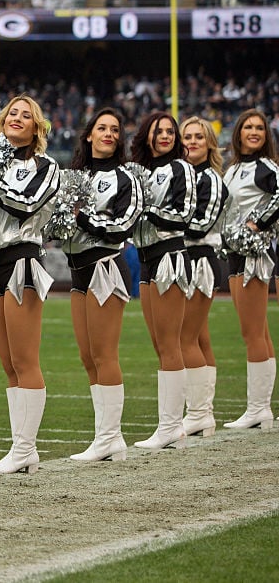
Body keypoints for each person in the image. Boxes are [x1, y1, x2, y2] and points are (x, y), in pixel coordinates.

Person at [0, 94, 59, 475]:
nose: (18, 118)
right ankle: (21, 448)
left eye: (26, 115)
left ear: (36, 127)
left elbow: (24, 205)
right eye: (12, 113)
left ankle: (25, 448)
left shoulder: (46, 166)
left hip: (21, 258)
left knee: (25, 359)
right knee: (8, 362)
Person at [63, 108, 143, 462]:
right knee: (87, 355)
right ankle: (104, 436)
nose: (108, 133)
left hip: (106, 266)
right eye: (102, 128)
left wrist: (82, 218)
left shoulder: (126, 177)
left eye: (114, 129)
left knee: (104, 354)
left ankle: (111, 437)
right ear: (89, 135)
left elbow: (122, 227)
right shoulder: (74, 175)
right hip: (77, 269)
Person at [130, 111, 196, 450]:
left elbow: (185, 215)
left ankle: (171, 426)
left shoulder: (180, 168)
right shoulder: (140, 170)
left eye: (171, 131)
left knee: (170, 343)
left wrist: (143, 208)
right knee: (159, 344)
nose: (166, 136)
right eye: (159, 131)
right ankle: (170, 426)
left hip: (169, 255)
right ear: (147, 135)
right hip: (144, 259)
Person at [221, 109, 278, 430]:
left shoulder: (266, 167)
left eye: (259, 128)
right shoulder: (234, 168)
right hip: (234, 253)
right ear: (238, 133)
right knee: (260, 331)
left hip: (253, 254)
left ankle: (257, 408)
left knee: (252, 331)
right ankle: (263, 407)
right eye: (248, 127)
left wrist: (260, 223)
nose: (254, 132)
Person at [179, 116, 228, 437]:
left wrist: (162, 224)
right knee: (199, 337)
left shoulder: (211, 179)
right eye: (187, 137)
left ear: (210, 143)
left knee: (184, 338)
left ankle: (197, 413)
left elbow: (201, 225)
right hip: (186, 258)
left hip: (200, 259)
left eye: (199, 137)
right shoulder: (184, 175)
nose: (192, 142)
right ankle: (204, 413)